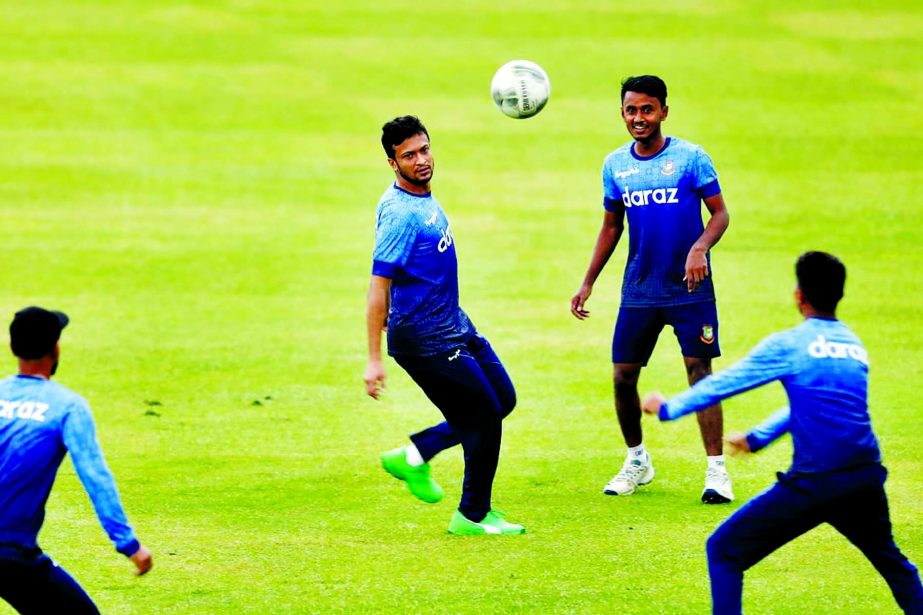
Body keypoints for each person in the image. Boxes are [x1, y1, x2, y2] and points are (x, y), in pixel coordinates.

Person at [641, 252, 923, 614]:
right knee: (895, 567)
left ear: (799, 295)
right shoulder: (854, 347)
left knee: (725, 551)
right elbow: (814, 407)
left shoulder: (791, 344)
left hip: (816, 483)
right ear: (839, 295)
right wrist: (759, 437)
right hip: (864, 478)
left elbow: (728, 382)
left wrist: (668, 408)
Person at [571, 75, 733, 502]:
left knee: (700, 375)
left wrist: (700, 247)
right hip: (640, 290)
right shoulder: (615, 166)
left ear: (663, 110)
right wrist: (588, 282)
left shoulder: (691, 158)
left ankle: (716, 472)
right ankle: (637, 460)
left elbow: (719, 214)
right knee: (623, 377)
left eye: (647, 109)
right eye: (631, 110)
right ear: (622, 113)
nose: (639, 118)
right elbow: (611, 226)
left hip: (690, 290)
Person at [364, 115, 523, 536]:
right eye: (409, 155)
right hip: (425, 339)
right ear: (392, 163)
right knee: (485, 416)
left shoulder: (421, 199)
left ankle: (416, 454)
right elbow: (378, 283)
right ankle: (472, 515)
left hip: (455, 326)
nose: (421, 160)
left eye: (424, 149)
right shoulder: (401, 213)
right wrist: (373, 359)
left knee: (502, 400)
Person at [0, 306, 153, 614]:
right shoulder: (67, 407)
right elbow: (95, 477)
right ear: (55, 349)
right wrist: (130, 545)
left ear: (13, 347)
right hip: (10, 554)